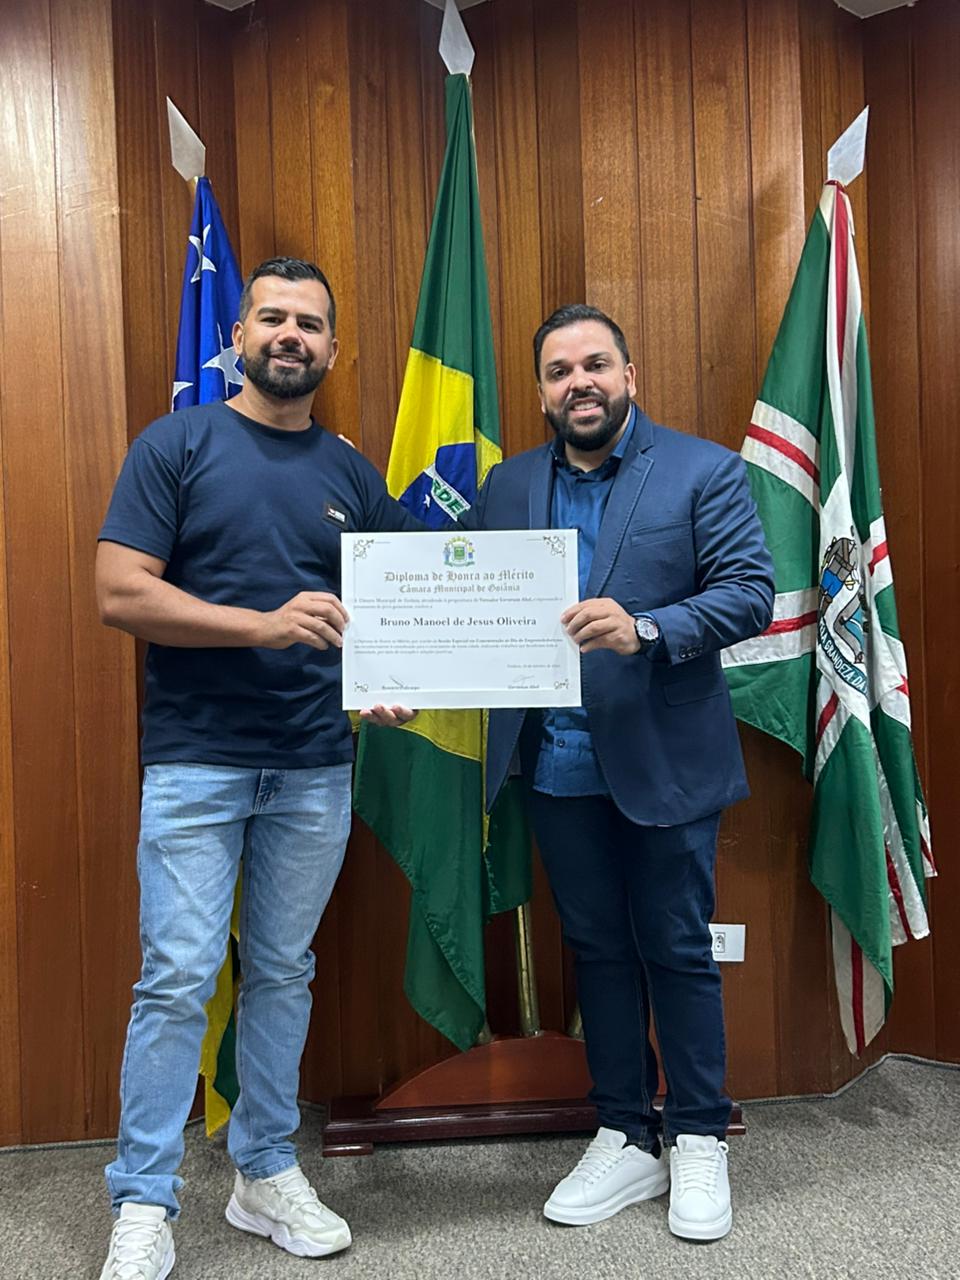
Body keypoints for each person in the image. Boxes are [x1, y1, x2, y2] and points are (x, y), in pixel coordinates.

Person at [95, 257, 420, 1280]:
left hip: (315, 763)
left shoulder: (351, 473)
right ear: (238, 335)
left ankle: (263, 1169)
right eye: (272, 317)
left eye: (310, 323)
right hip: (197, 763)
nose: (291, 335)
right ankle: (143, 1199)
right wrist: (263, 625)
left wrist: (392, 679)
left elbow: (395, 606)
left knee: (283, 971)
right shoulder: (176, 444)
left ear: (333, 348)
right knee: (177, 977)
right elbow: (120, 592)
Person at [461, 304, 774, 1241]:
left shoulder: (702, 471)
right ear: (542, 392)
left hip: (664, 760)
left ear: (629, 376)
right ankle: (626, 1133)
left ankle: (698, 1134)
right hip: (553, 763)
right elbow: (465, 604)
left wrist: (647, 629)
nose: (580, 383)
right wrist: (401, 675)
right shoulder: (509, 485)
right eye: (560, 371)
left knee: (676, 948)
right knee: (595, 950)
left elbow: (750, 593)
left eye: (596, 364)